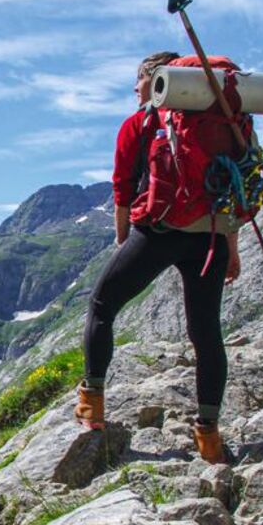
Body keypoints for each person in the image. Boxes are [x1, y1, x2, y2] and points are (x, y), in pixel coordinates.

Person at [73, 51, 241, 465]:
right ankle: (209, 437)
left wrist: (123, 240)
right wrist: (232, 250)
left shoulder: (143, 122)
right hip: (213, 236)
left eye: (139, 80)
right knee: (206, 334)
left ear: (158, 79)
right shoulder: (226, 116)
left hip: (159, 231)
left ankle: (92, 400)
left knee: (102, 304)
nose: (134, 89)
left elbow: (123, 187)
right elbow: (238, 188)